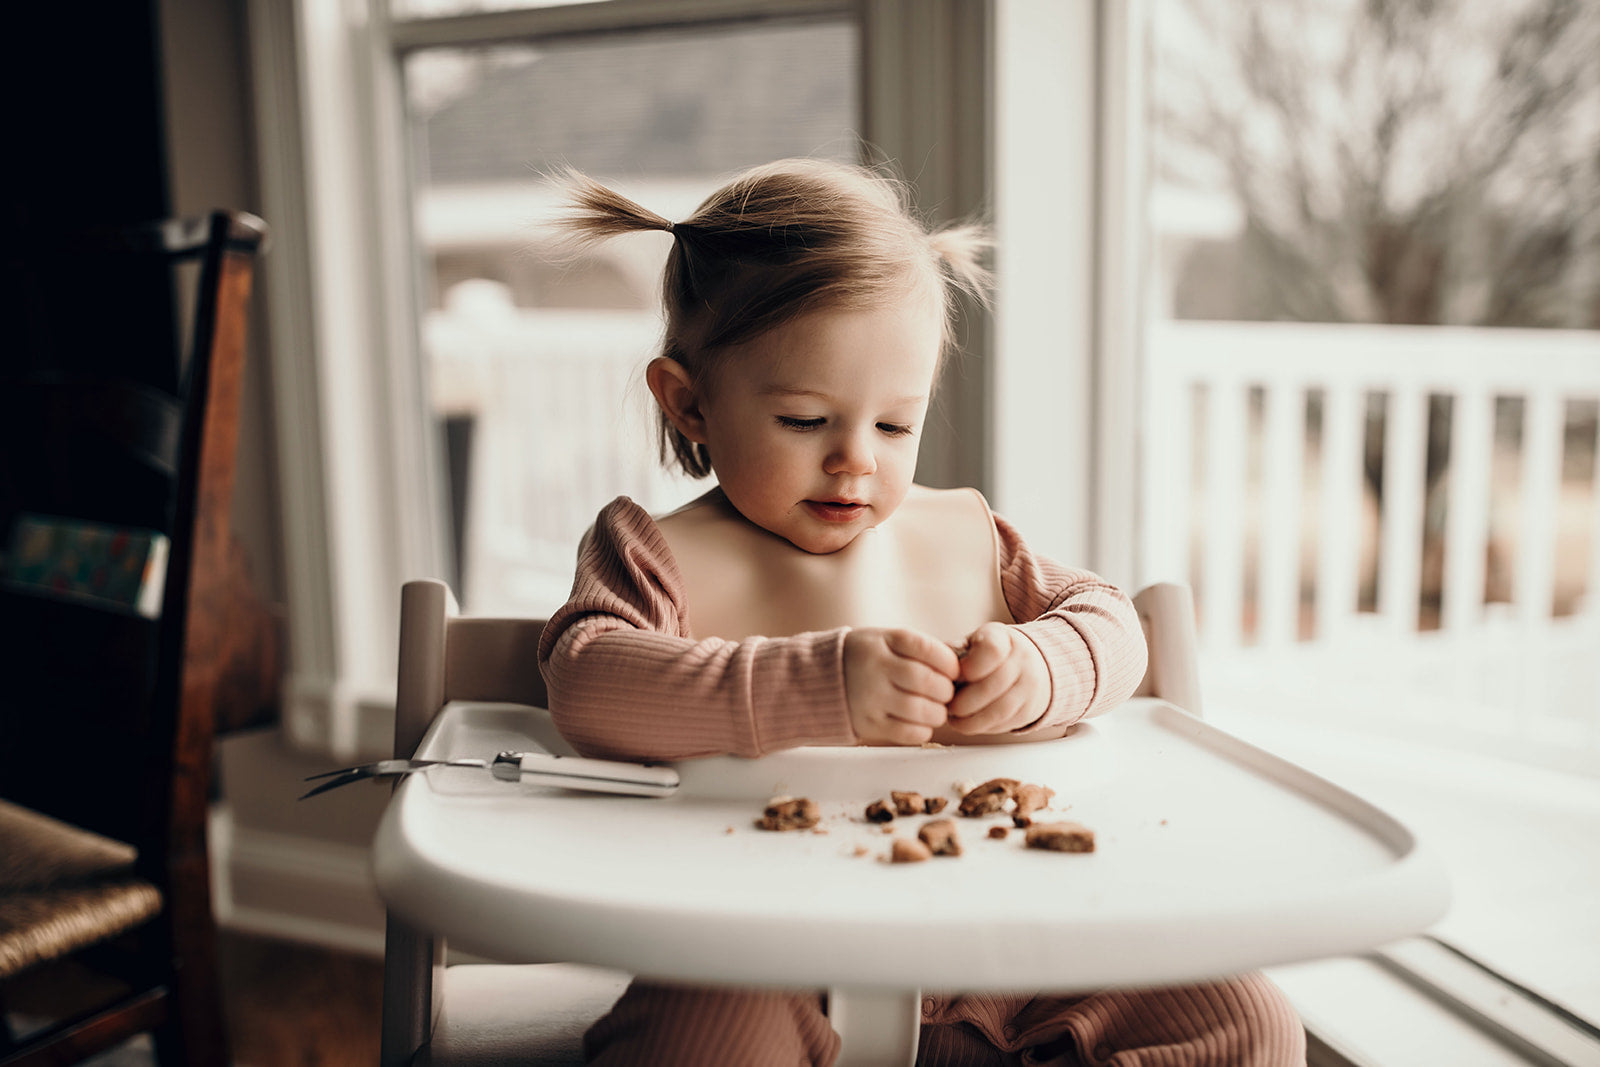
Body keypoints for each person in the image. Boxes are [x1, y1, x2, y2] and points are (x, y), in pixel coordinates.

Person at [536, 158, 1305, 1067]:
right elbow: (586, 680)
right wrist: (818, 686)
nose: (855, 460)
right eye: (805, 421)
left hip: (1013, 952)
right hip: (764, 955)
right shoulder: (649, 553)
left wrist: (1041, 669)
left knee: (1245, 1017)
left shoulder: (968, 537)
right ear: (690, 401)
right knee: (699, 1035)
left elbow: (1112, 622)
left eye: (895, 426)